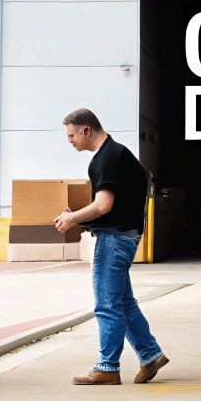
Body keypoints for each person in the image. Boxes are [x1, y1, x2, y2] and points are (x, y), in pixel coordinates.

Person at [56, 108, 169, 386]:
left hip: (114, 238)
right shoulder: (115, 155)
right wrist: (80, 218)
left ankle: (107, 367)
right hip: (123, 234)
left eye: (71, 135)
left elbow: (103, 205)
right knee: (123, 302)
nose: (69, 140)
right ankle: (150, 354)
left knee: (106, 305)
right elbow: (109, 206)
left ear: (86, 130)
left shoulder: (108, 157)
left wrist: (72, 218)